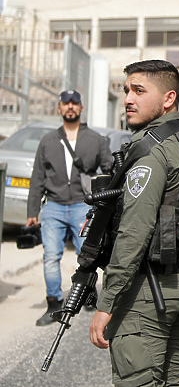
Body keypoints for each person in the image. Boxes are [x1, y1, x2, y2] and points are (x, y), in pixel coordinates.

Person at [89, 60, 179, 386]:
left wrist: (106, 303)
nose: (127, 99)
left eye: (139, 90)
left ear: (168, 99)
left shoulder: (152, 150)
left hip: (150, 290)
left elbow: (133, 233)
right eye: (126, 90)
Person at [27, 89, 114, 326]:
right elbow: (37, 178)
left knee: (86, 254)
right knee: (50, 257)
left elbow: (110, 169)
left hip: (81, 206)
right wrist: (32, 213)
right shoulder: (48, 141)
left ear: (81, 108)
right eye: (66, 103)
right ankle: (54, 303)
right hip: (53, 206)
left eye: (75, 103)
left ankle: (88, 294)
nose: (70, 107)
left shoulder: (95, 139)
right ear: (59, 108)